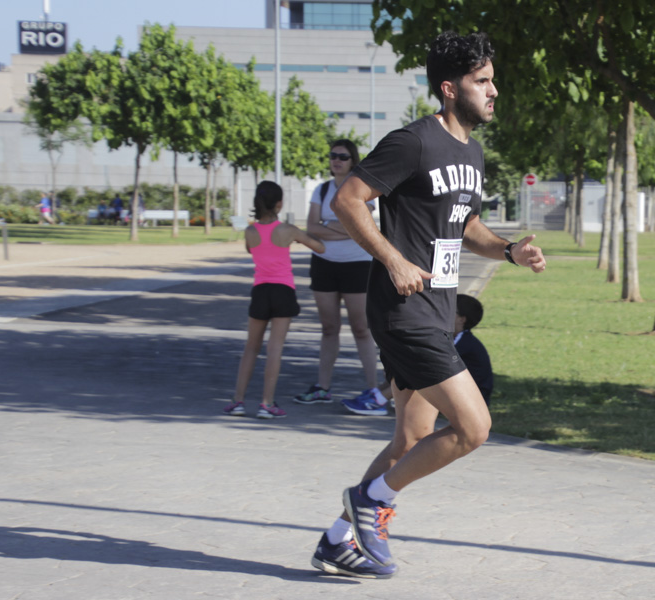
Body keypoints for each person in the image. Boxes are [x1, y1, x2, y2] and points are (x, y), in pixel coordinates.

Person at [308, 31, 546, 579]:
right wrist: (392, 259)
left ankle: (337, 539)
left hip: (438, 308)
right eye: (481, 81)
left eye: (492, 80)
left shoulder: (472, 152)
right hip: (403, 311)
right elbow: (349, 200)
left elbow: (465, 226)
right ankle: (372, 503)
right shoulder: (412, 142)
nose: (493, 91)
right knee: (473, 426)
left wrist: (510, 250)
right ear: (448, 88)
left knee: (412, 439)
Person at [293, 139, 389, 416]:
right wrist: (344, 229)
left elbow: (364, 226)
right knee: (328, 328)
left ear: (353, 160)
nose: (337, 160)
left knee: (361, 329)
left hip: (358, 266)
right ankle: (322, 387)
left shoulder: (360, 188)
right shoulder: (321, 190)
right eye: (333, 155)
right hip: (324, 264)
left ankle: (373, 388)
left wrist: (329, 227)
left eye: (343, 157)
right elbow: (311, 227)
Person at [224, 181, 325, 420]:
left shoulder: (250, 231)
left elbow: (252, 250)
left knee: (251, 347)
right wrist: (304, 236)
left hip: (260, 290)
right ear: (279, 204)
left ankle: (238, 400)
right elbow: (319, 248)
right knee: (275, 348)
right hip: (282, 290)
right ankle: (266, 403)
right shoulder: (288, 230)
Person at [454, 294, 493, 406]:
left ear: (461, 319)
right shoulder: (460, 340)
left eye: (448, 310)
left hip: (474, 400)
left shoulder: (464, 344)